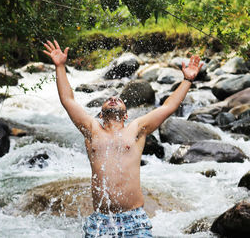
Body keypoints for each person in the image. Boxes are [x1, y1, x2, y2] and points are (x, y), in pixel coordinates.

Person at [43, 40, 203, 237]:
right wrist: (60, 66)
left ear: (126, 115)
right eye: (108, 100)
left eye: (118, 100)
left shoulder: (136, 129)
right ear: (100, 114)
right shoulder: (92, 130)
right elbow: (68, 100)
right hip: (101, 222)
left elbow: (167, 107)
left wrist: (187, 80)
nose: (113, 99)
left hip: (134, 220)